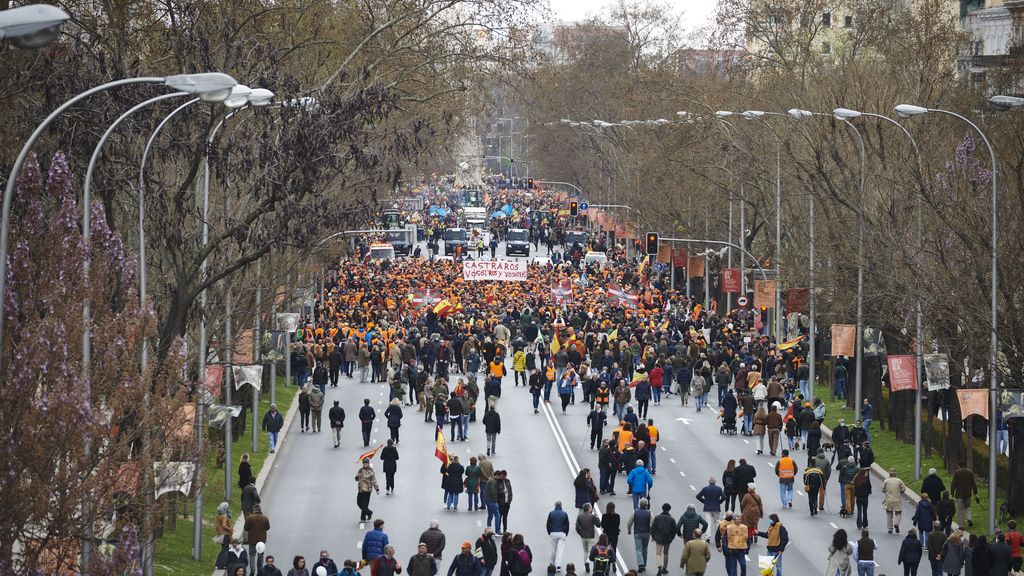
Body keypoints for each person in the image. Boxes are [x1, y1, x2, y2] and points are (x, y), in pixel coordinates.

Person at [650, 502, 676, 576]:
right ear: (669, 509)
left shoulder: (657, 517)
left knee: (658, 553)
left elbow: (653, 528)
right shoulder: (672, 519)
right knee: (666, 553)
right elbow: (674, 530)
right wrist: (671, 538)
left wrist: (653, 536)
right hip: (667, 539)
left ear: (662, 508)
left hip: (659, 539)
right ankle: (664, 568)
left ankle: (659, 567)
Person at [627, 498, 652, 573]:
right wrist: (652, 534)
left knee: (638, 549)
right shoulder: (649, 513)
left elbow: (629, 522)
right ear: (646, 505)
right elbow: (652, 524)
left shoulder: (635, 512)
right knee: (645, 549)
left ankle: (640, 564)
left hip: (637, 533)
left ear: (639, 504)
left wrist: (629, 530)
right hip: (646, 533)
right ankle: (644, 565)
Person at [244, 504, 270, 574]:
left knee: (252, 555)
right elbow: (268, 528)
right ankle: (260, 571)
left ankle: (252, 570)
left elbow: (245, 528)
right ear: (260, 510)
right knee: (260, 556)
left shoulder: (249, 518)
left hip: (252, 541)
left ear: (254, 510)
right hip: (261, 541)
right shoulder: (265, 518)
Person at [576, 503, 601, 574]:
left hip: (583, 537)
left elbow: (577, 528)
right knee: (591, 551)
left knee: (585, 551)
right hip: (591, 536)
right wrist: (596, 516)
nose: (592, 508)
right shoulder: (592, 516)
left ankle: (586, 565)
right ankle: (587, 562)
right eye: (591, 507)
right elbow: (598, 525)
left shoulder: (580, 516)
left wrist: (581, 534)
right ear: (588, 508)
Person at [950, 462, 977, 529]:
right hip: (968, 494)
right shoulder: (970, 472)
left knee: (960, 509)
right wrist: (975, 493)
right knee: (968, 507)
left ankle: (961, 526)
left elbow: (953, 483)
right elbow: (973, 484)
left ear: (959, 466)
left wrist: (952, 493)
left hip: (960, 494)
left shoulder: (957, 472)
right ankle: (969, 519)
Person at [546, 501, 569, 572]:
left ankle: (551, 564)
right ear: (561, 506)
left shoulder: (551, 513)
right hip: (561, 533)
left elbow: (548, 524)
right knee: (560, 550)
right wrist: (565, 533)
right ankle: (558, 566)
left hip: (553, 533)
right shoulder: (564, 514)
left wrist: (550, 532)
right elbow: (567, 525)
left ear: (555, 506)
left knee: (552, 549)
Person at [883, 468, 908, 534]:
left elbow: (883, 489)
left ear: (889, 474)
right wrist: (900, 492)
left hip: (889, 500)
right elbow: (903, 489)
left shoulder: (886, 481)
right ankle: (896, 523)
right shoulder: (899, 481)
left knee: (889, 514)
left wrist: (887, 492)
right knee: (898, 513)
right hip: (897, 499)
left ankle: (890, 528)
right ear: (895, 474)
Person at [355, 458, 380, 522]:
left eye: (366, 463)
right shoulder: (360, 470)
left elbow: (374, 481)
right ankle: (369, 512)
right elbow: (356, 479)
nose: (365, 464)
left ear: (368, 464)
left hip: (367, 490)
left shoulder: (370, 471)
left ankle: (363, 519)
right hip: (360, 490)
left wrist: (377, 488)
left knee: (364, 505)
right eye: (364, 463)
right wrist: (357, 477)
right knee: (359, 503)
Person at [216, 502, 234, 568]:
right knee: (225, 550)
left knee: (223, 549)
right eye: (227, 507)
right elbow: (224, 525)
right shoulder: (225, 515)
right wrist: (230, 529)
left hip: (221, 534)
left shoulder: (219, 515)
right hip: (226, 535)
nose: (228, 509)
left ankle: (218, 563)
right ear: (225, 508)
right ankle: (221, 565)